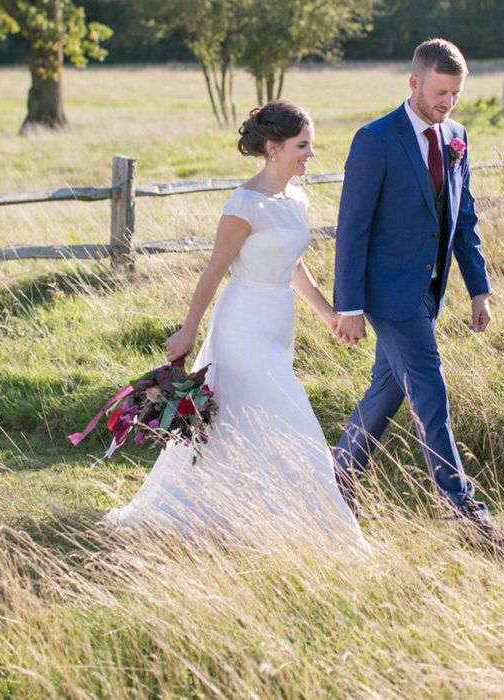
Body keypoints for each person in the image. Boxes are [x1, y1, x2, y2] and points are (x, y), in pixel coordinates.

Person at [104, 100, 370, 555]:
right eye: (302, 146)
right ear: (273, 147)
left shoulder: (297, 200)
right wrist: (188, 332)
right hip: (242, 322)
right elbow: (213, 271)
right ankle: (331, 533)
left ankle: (241, 513)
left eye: (311, 145)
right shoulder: (245, 203)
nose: (311, 154)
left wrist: (327, 313)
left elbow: (293, 266)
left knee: (242, 422)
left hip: (277, 322)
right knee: (292, 413)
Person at [332, 39, 504, 550]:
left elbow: (464, 219)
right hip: (388, 295)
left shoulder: (457, 136)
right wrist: (348, 305)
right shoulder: (375, 140)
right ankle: (471, 518)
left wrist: (478, 288)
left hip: (430, 292)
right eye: (441, 92)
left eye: (456, 95)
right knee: (430, 394)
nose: (448, 104)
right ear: (414, 83)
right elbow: (351, 228)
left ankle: (334, 483)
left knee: (386, 394)